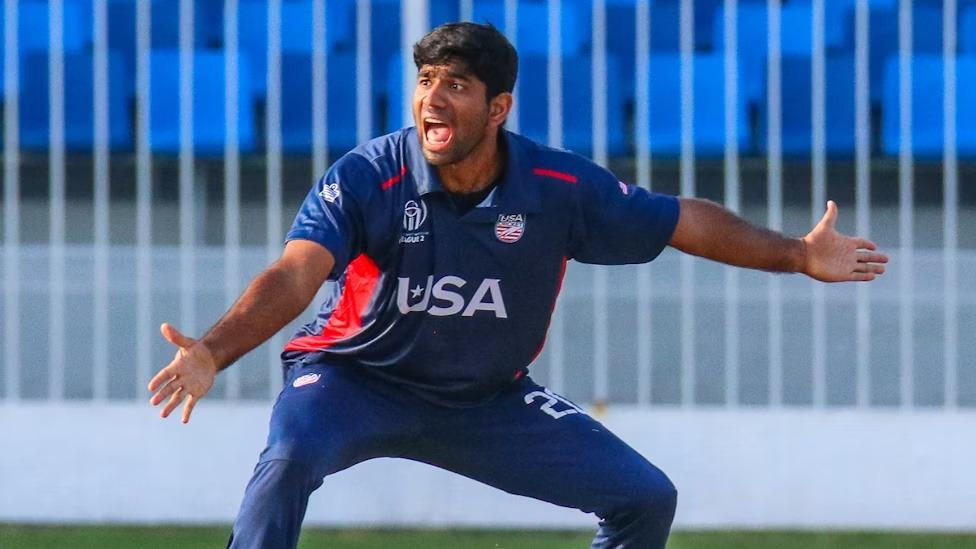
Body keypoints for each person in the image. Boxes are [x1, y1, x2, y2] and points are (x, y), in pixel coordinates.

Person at [148, 22, 888, 549]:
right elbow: (295, 272)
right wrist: (213, 350)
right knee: (287, 460)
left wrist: (796, 253)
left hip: (485, 400)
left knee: (645, 498)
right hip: (353, 380)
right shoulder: (369, 173)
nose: (433, 100)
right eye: (426, 82)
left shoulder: (557, 186)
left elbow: (679, 221)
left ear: (498, 108)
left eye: (456, 85)